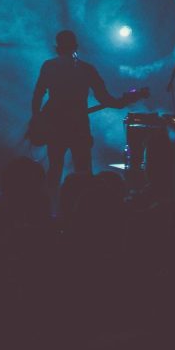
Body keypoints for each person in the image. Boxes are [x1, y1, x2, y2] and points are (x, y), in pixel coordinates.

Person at [30, 30, 124, 213]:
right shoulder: (86, 69)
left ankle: (51, 212)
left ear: (58, 47)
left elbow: (38, 94)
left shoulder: (49, 66)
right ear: (75, 47)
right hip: (78, 126)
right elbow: (105, 98)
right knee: (83, 172)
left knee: (55, 169)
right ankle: (85, 213)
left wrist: (37, 118)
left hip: (55, 126)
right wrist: (122, 102)